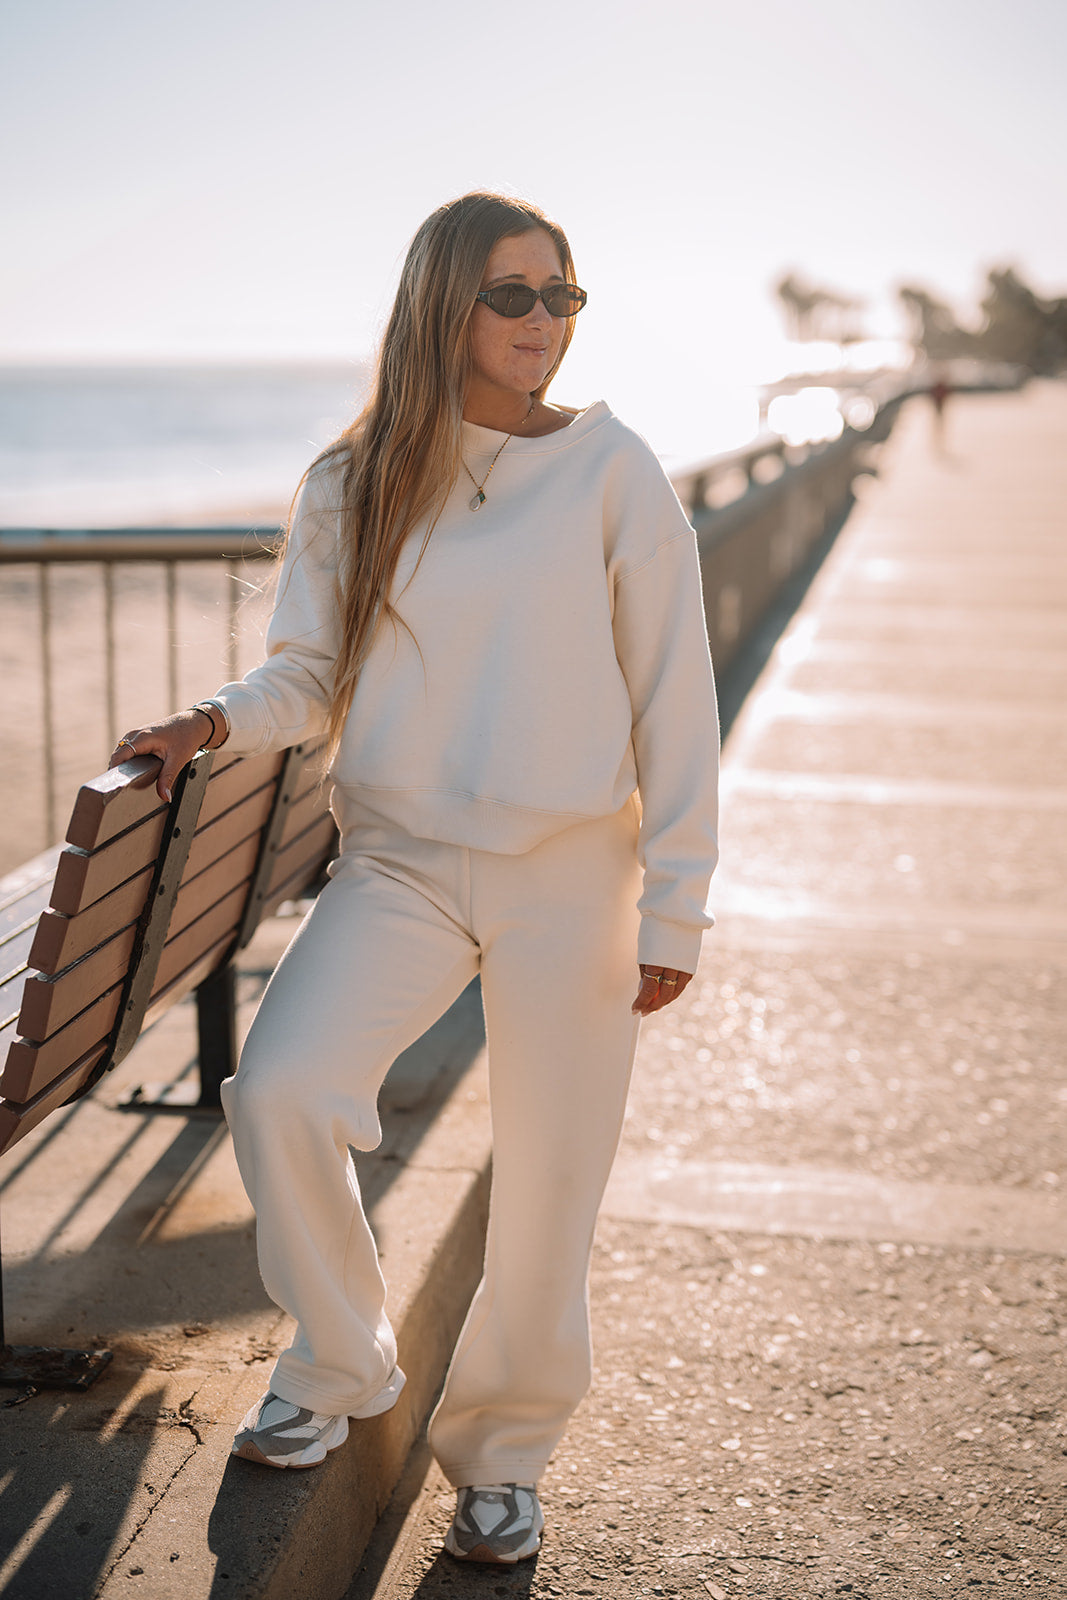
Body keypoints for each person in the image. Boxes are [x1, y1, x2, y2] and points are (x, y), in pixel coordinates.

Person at [110, 191, 720, 1565]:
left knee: (555, 1181)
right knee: (277, 1093)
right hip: (401, 861)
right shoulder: (355, 479)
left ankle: (503, 1458)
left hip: (574, 875)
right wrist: (210, 723)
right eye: (515, 294)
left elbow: (678, 698)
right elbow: (310, 672)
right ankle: (342, 1364)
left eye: (564, 295)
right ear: (444, 301)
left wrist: (677, 898)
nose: (545, 321)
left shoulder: (616, 470)